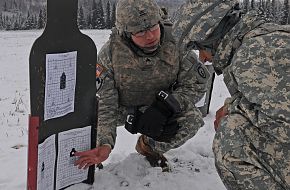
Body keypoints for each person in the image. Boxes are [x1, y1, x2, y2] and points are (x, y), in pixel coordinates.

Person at [74, 0, 210, 171]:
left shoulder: (177, 43)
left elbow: (195, 85)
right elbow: (106, 104)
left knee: (191, 119)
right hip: (122, 109)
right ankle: (91, 160)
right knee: (86, 117)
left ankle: (149, 147)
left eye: (153, 27)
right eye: (140, 32)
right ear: (126, 33)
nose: (150, 36)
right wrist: (105, 144)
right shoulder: (110, 54)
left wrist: (167, 106)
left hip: (159, 106)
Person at [173, 0, 290, 189]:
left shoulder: (250, 56)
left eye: (200, 48)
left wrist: (233, 109)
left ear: (212, 39)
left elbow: (283, 126)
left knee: (231, 136)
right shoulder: (267, 36)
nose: (202, 58)